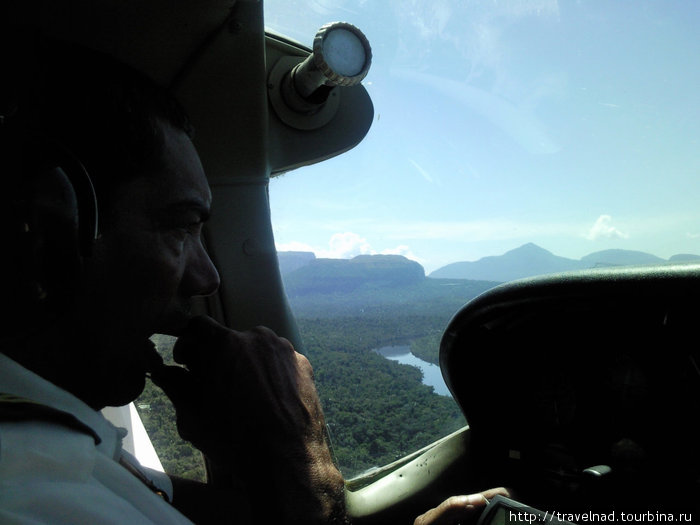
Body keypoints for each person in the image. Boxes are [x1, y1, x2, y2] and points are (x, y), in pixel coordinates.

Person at [0, 38, 506, 524]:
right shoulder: (32, 495)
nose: (207, 277)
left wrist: (245, 454)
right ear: (43, 230)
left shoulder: (65, 445)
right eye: (179, 227)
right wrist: (300, 460)